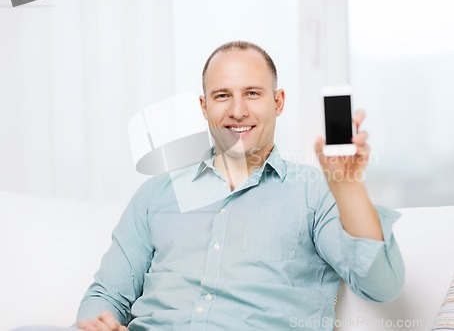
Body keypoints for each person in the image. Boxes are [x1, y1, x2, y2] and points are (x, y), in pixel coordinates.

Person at [75, 41, 404, 331]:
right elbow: (106, 296)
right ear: (204, 107)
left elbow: (382, 286)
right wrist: (98, 324)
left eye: (252, 93)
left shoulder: (315, 192)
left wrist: (347, 186)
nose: (237, 111)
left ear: (278, 102)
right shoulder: (156, 194)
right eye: (222, 96)